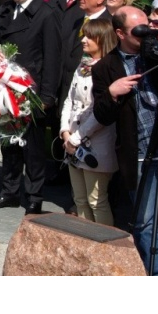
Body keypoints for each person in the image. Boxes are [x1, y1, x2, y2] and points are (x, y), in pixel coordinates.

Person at [91, 7, 158, 275]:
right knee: (144, 223)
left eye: (149, 28)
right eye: (139, 31)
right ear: (120, 33)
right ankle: (156, 274)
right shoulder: (106, 67)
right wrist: (112, 92)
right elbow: (102, 115)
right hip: (139, 153)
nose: (147, 36)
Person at [0, 0, 61, 214]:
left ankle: (34, 196)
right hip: (5, 87)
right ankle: (10, 191)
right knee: (8, 142)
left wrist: (47, 96)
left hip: (31, 89)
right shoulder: (6, 9)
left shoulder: (46, 14)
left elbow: (53, 57)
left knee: (32, 147)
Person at [59, 18, 119, 224]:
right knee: (80, 199)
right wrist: (65, 131)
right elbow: (69, 100)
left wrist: (76, 138)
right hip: (72, 143)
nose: (83, 40)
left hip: (96, 142)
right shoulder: (82, 66)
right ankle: (85, 242)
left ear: (102, 39)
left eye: (89, 37)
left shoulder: (108, 68)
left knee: (97, 200)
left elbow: (99, 112)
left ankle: (103, 248)